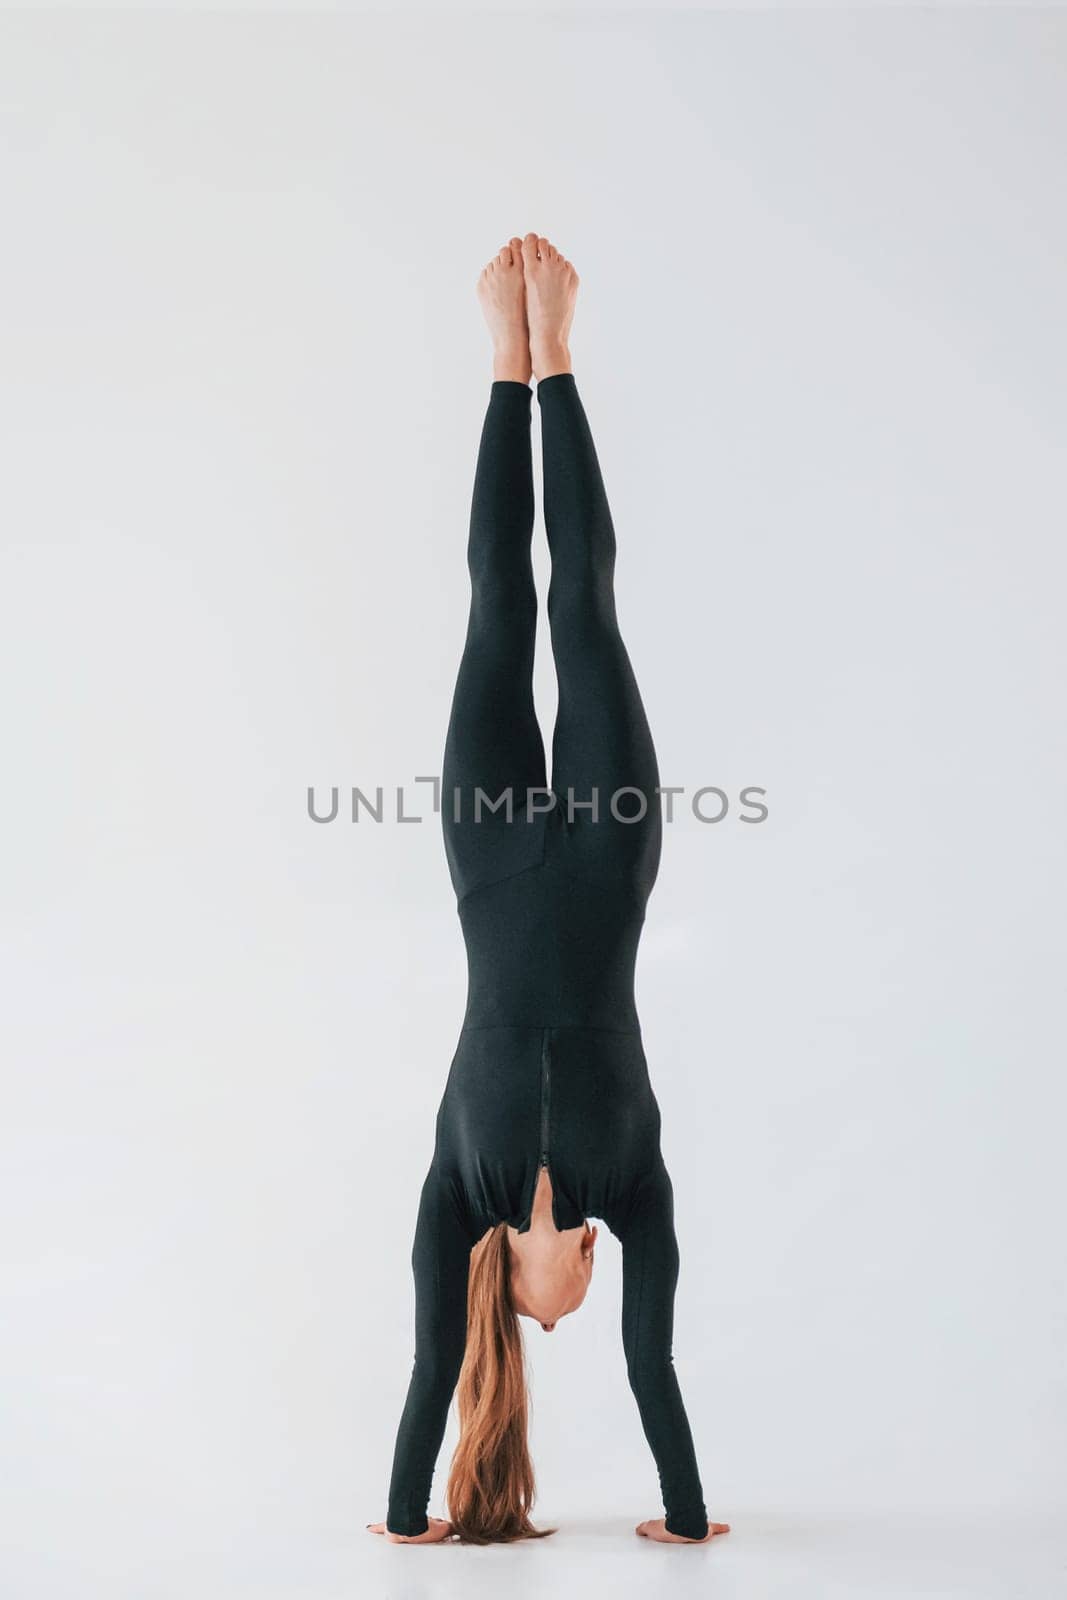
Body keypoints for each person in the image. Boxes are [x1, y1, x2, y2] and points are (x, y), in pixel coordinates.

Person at [368, 234, 730, 1548]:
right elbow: (657, 1370)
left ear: (528, 1282)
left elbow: (425, 1380)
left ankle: (503, 366)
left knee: (491, 611)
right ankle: (556, 354)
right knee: (585, 606)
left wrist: (410, 1517)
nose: (577, 1307)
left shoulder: (454, 1203)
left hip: (485, 856)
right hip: (603, 855)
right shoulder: (632, 1192)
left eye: (553, 1311)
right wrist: (686, 1521)